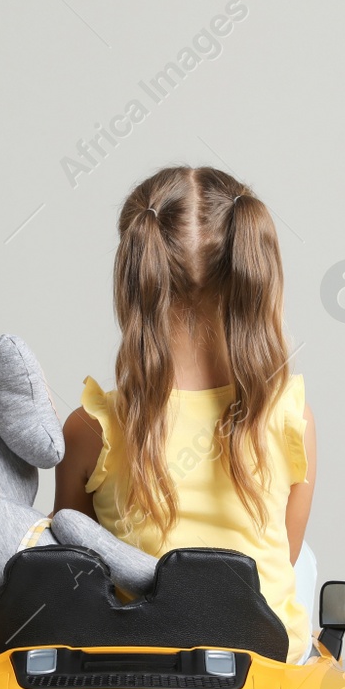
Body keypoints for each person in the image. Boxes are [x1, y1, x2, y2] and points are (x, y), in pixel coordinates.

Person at [53, 165, 317, 662]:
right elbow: (287, 553)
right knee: (301, 569)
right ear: (250, 275)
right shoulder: (289, 415)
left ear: (135, 280)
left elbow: (74, 564)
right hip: (260, 657)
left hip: (132, 662)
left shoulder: (91, 428)